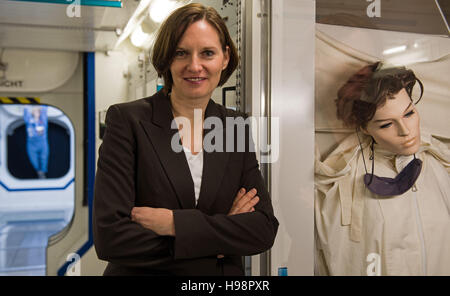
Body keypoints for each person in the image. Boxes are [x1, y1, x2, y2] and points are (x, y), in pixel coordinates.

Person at [93, 3, 279, 276]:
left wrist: (174, 225)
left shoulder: (235, 126)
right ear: (168, 58)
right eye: (181, 53)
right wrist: (220, 240)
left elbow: (262, 229)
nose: (195, 66)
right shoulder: (128, 121)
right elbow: (111, 238)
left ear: (225, 58)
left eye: (207, 53)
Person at [315, 62, 450, 275]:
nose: (406, 132)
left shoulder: (437, 167)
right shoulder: (344, 183)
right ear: (364, 128)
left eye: (409, 113)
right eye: (386, 124)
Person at [23, 105, 49, 179]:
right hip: (31, 143)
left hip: (42, 142)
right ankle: (38, 171)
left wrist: (41, 106)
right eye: (35, 111)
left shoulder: (43, 121)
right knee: (33, 159)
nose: (36, 113)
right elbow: (26, 110)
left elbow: (44, 109)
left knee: (44, 158)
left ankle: (43, 172)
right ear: (32, 112)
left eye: (38, 111)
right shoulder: (29, 120)